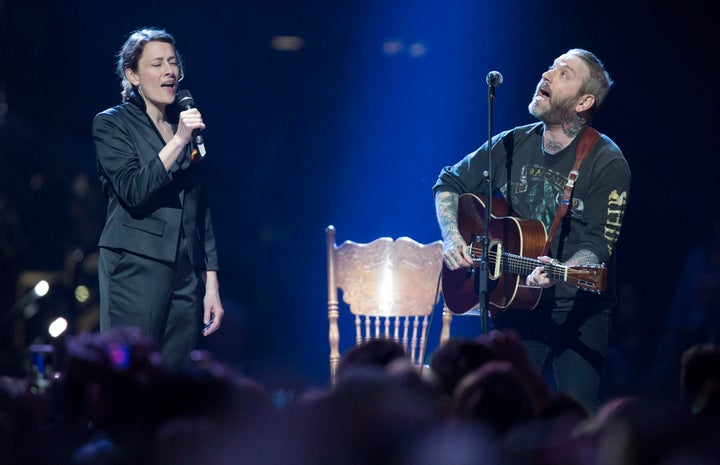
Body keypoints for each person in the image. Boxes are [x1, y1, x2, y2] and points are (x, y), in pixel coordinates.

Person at [433, 48, 631, 412]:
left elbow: (598, 245)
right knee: (501, 413)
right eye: (551, 66)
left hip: (579, 309)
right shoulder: (510, 143)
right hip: (516, 304)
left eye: (564, 73)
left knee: (577, 416)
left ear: (584, 101)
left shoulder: (607, 162)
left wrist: (561, 272)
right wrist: (453, 237)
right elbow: (449, 182)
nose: (548, 74)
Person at [92, 28, 223, 367]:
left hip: (185, 270)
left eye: (173, 62)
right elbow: (134, 190)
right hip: (136, 263)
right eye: (157, 64)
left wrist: (211, 280)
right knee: (130, 374)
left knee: (172, 380)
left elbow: (200, 208)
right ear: (132, 75)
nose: (169, 71)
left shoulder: (183, 127)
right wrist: (178, 140)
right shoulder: (112, 124)